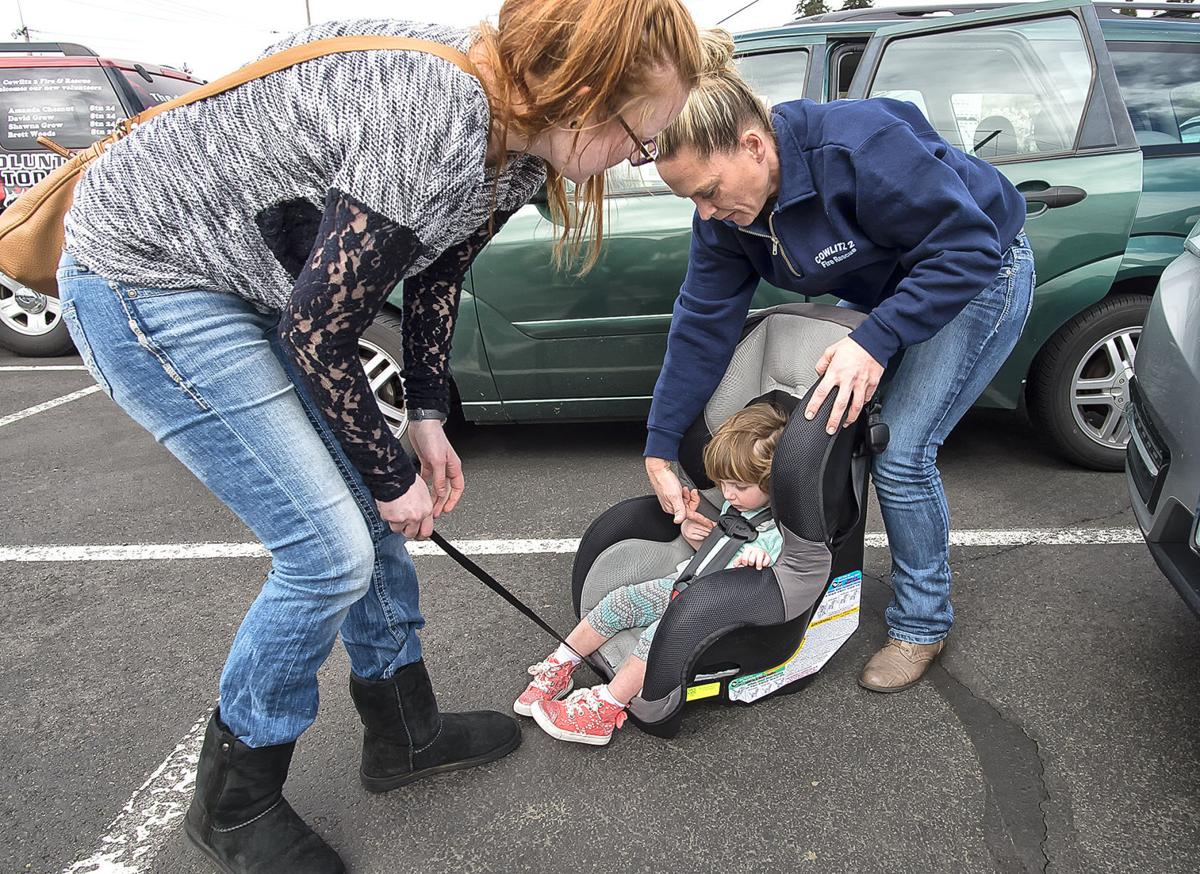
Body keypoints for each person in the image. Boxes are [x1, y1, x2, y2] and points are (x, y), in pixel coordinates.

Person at [55, 4, 704, 871]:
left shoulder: (516, 152)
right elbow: (317, 333)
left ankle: (403, 733)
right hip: (146, 277)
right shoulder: (436, 109)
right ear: (582, 94)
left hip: (248, 287)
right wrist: (390, 475)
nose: (639, 155)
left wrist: (426, 418)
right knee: (328, 550)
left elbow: (435, 274)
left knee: (374, 494)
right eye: (641, 134)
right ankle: (233, 802)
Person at [642, 32, 1035, 696]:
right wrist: (658, 443)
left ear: (753, 145)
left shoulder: (856, 146)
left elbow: (965, 246)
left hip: (977, 271)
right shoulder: (726, 220)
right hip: (895, 290)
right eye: (693, 202)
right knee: (853, 430)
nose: (706, 213)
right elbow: (701, 324)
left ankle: (922, 623)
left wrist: (877, 338)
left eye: (708, 191)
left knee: (903, 448)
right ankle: (831, 578)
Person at [516, 403, 787, 745]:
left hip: (711, 611)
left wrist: (759, 562)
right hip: (686, 582)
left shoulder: (775, 534)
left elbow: (773, 575)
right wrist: (694, 533)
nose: (729, 494)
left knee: (657, 639)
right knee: (620, 601)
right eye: (724, 484)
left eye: (738, 486)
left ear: (770, 481)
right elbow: (718, 540)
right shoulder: (738, 505)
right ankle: (561, 663)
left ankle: (604, 708)